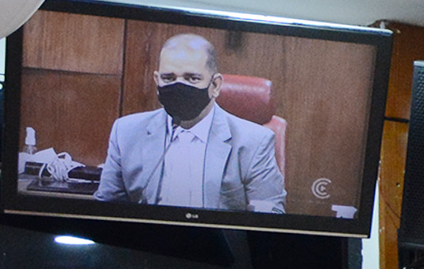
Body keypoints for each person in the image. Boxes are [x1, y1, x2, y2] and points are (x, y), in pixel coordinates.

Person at [95, 34, 286, 214]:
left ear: (215, 85)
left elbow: (269, 214)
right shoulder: (126, 132)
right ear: (156, 81)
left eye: (192, 79)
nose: (179, 87)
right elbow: (106, 210)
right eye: (168, 78)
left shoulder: (254, 142)